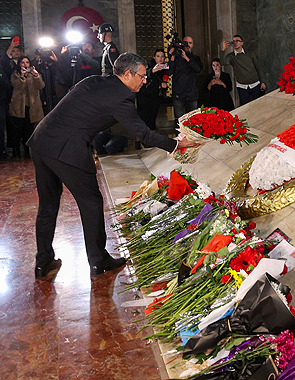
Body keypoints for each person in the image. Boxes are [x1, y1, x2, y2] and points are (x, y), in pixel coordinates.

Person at [28, 52, 199, 279]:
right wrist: (176, 144)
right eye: (142, 76)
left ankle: (43, 262)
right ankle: (98, 261)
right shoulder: (122, 98)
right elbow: (144, 135)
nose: (145, 80)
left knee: (48, 205)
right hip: (67, 150)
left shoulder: (94, 81)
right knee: (91, 202)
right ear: (127, 74)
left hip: (41, 141)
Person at [9, 56, 45, 159]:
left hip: (32, 106)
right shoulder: (15, 74)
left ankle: (27, 151)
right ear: (19, 64)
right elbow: (17, 85)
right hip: (19, 105)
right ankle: (16, 151)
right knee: (17, 130)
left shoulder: (34, 74)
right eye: (23, 63)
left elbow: (41, 85)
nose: (25, 65)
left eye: (27, 62)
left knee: (29, 130)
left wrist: (36, 76)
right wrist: (22, 76)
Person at [221, 35, 266, 106]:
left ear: (242, 43)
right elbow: (223, 62)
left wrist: (262, 82)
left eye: (237, 41)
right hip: (242, 86)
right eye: (233, 41)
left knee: (259, 105)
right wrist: (223, 50)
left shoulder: (250, 53)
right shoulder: (231, 56)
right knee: (244, 107)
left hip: (255, 84)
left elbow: (258, 67)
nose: (235, 43)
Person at [168, 36, 202, 122]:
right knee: (180, 121)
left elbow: (198, 69)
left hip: (192, 93)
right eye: (185, 43)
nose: (187, 45)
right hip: (178, 94)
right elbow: (169, 72)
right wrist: (172, 58)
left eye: (190, 43)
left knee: (194, 121)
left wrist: (186, 58)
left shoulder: (195, 58)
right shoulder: (175, 58)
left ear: (193, 45)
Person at [136, 48, 169, 130]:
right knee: (143, 119)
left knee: (152, 119)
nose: (160, 58)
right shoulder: (148, 65)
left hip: (155, 96)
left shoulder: (164, 68)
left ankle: (151, 139)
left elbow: (163, 81)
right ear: (154, 57)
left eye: (162, 56)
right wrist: (153, 71)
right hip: (144, 96)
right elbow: (141, 76)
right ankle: (140, 140)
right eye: (158, 56)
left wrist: (164, 86)